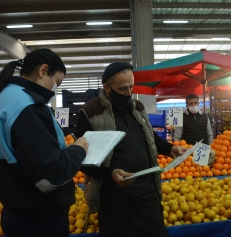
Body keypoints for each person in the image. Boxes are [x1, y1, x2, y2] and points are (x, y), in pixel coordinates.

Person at [0, 49, 89, 237]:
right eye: (57, 82)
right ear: (43, 71)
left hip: (17, 212)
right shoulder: (28, 107)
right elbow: (50, 176)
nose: (56, 88)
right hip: (40, 219)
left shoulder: (3, 98)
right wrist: (78, 150)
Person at [75, 62, 186, 237]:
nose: (128, 93)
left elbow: (150, 138)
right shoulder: (90, 112)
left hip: (147, 194)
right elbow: (80, 159)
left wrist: (170, 149)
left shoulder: (138, 107)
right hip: (115, 199)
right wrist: (110, 174)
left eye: (131, 87)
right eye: (122, 89)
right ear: (107, 87)